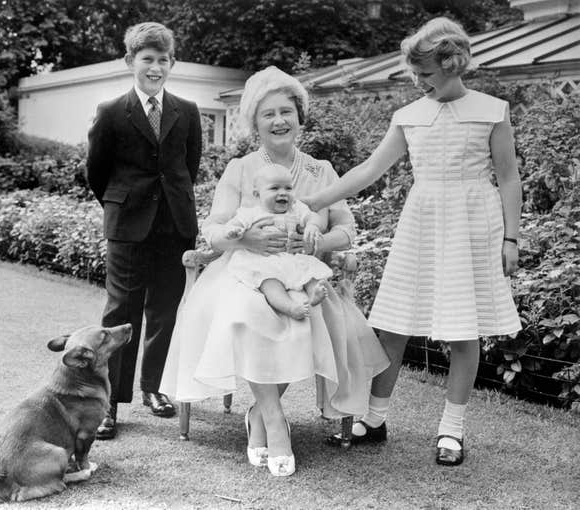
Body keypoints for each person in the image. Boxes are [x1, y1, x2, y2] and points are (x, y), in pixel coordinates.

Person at [304, 17, 522, 466]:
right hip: (421, 224)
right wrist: (314, 201)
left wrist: (512, 238)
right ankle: (376, 418)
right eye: (415, 74)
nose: (418, 82)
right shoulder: (409, 117)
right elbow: (368, 171)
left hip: (472, 227)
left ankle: (452, 431)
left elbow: (509, 176)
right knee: (394, 325)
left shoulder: (492, 109)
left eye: (425, 74)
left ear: (453, 64)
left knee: (462, 329)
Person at [159, 66, 389, 477]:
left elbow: (347, 231)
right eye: (269, 114)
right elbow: (211, 230)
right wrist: (244, 241)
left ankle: (258, 417)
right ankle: (274, 420)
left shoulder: (321, 169)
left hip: (301, 271)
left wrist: (318, 241)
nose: (280, 120)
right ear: (255, 123)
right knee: (249, 315)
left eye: (287, 111)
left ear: (300, 117)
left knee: (311, 314)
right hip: (243, 272)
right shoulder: (240, 169)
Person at [86, 21, 202, 439]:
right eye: (147, 60)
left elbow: (189, 168)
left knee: (164, 310)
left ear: (172, 63)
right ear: (130, 61)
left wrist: (171, 208)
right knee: (121, 313)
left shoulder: (186, 111)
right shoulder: (112, 111)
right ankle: (110, 404)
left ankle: (154, 388)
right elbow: (96, 173)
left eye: (163, 60)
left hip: (175, 225)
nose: (155, 68)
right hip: (127, 225)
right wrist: (124, 206)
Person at [225, 163, 331, 320]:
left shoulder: (297, 208)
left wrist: (313, 226)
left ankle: (315, 293)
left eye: (288, 188)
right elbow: (234, 225)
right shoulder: (252, 213)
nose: (283, 193)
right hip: (263, 260)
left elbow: (313, 217)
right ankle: (291, 307)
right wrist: (236, 232)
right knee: (269, 283)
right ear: (257, 194)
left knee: (310, 272)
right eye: (274, 188)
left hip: (291, 257)